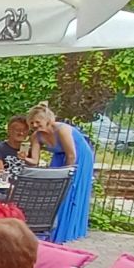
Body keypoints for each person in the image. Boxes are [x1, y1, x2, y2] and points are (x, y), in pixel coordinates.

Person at [27, 100, 94, 242]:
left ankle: (67, 232)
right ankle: (52, 230)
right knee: (55, 192)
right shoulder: (36, 136)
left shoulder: (62, 130)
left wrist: (66, 176)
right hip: (59, 157)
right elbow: (34, 161)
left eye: (38, 122)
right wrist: (23, 158)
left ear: (47, 120)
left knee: (69, 190)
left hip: (79, 157)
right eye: (32, 123)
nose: (35, 125)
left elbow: (71, 155)